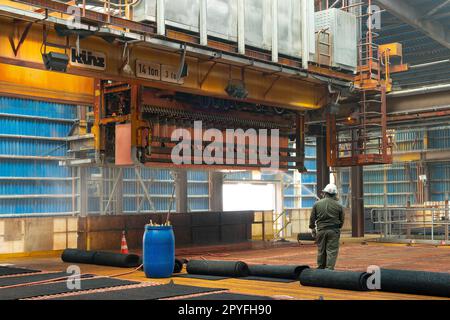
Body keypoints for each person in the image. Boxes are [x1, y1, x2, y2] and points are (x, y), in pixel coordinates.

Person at [309, 183, 344, 270]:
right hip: (333, 231)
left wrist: (313, 229)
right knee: (331, 251)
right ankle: (329, 269)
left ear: (325, 193)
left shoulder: (317, 204)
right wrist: (337, 228)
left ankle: (320, 267)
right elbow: (341, 220)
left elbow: (312, 218)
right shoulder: (339, 205)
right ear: (335, 194)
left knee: (321, 250)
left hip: (321, 231)